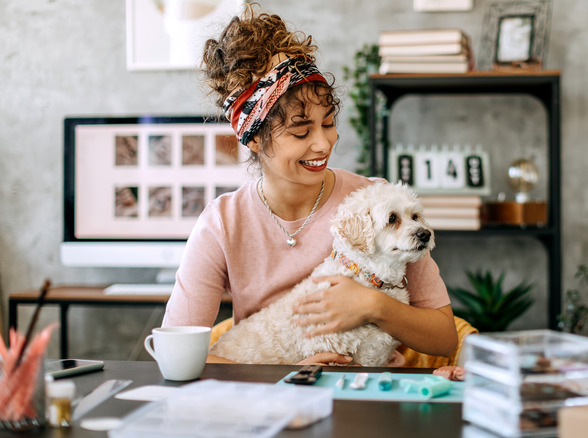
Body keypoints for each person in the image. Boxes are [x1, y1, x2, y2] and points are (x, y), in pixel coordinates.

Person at [162, 5, 458, 365]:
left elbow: (444, 337)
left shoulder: (378, 202)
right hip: (267, 407)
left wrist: (374, 305)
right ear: (254, 140)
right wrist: (288, 376)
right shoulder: (223, 223)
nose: (323, 143)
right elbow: (176, 358)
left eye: (328, 123)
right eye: (301, 131)